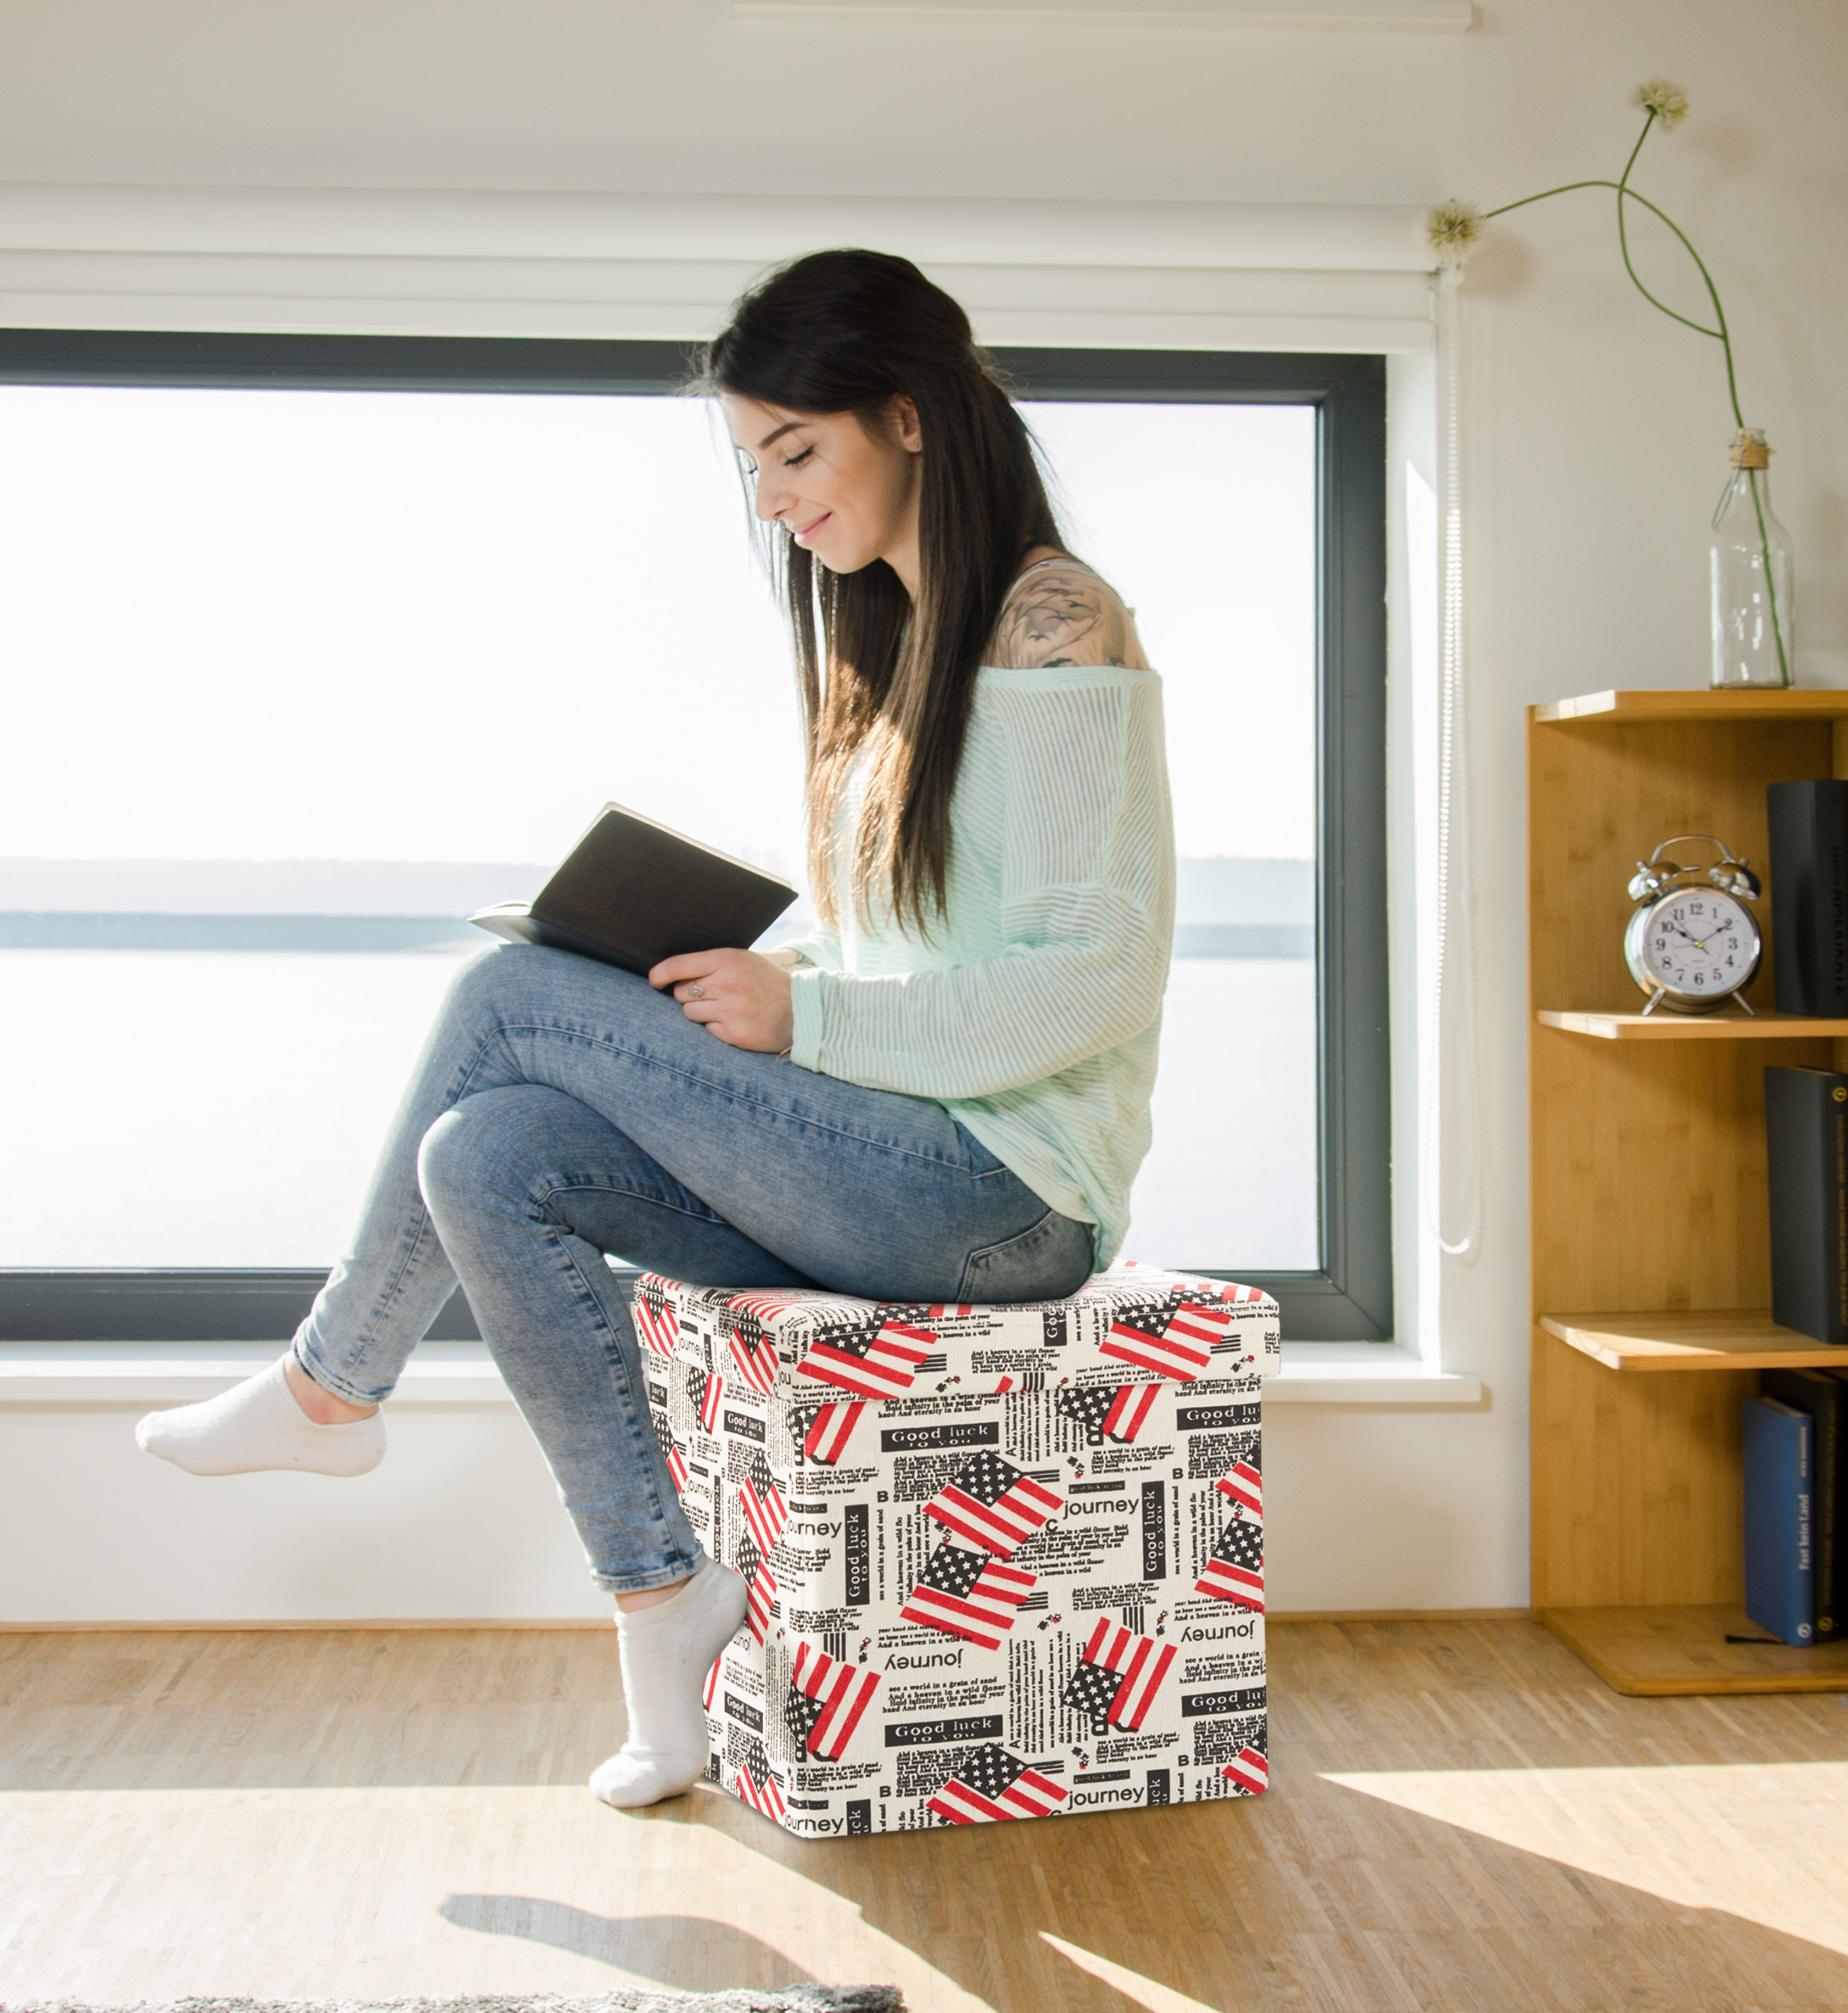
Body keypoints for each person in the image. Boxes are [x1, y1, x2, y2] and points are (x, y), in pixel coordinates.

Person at [135, 248, 1176, 1810]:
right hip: (898, 1161)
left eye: (795, 450)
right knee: (484, 1153)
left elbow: (1091, 975)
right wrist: (747, 979)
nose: (773, 498)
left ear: (905, 416)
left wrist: (803, 1012)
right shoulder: (888, 645)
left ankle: (329, 1386)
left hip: (1005, 1197)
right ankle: (657, 1595)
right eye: (754, 463)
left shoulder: (1050, 618)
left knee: (505, 1000)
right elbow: (906, 947)